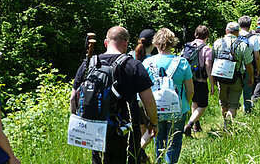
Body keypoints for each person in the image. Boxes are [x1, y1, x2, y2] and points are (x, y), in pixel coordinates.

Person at [71, 26, 158, 164]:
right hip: (125, 129)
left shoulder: (90, 63)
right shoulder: (133, 65)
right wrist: (153, 123)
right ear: (126, 43)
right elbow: (149, 101)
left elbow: (74, 97)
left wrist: (80, 120)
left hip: (96, 126)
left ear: (106, 42)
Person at [143, 28, 193, 164]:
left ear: (156, 43)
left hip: (155, 108)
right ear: (172, 43)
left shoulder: (147, 63)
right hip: (178, 109)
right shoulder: (182, 62)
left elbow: (143, 90)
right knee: (175, 141)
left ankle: (159, 162)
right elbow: (190, 90)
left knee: (159, 139)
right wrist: (185, 105)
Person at [211, 22, 254, 127]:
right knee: (233, 104)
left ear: (226, 31)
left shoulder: (217, 43)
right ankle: (229, 126)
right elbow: (248, 64)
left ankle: (225, 122)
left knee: (224, 103)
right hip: (236, 78)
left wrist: (213, 81)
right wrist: (251, 77)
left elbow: (212, 62)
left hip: (221, 78)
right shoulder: (242, 45)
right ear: (238, 32)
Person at [128, 29, 156, 164]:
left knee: (140, 129)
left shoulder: (129, 55)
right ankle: (136, 152)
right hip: (145, 99)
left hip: (131, 100)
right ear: (154, 43)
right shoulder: (152, 60)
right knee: (152, 130)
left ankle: (140, 156)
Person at [183, 25, 214, 135]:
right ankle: (190, 124)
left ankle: (196, 126)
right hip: (201, 80)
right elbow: (208, 67)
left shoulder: (187, 46)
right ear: (206, 36)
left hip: (188, 80)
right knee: (203, 105)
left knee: (194, 102)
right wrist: (212, 83)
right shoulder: (206, 49)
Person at [238, 16, 260, 113]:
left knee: (235, 88)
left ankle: (234, 107)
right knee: (248, 89)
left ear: (239, 25)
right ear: (250, 25)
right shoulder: (254, 38)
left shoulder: (235, 36)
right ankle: (247, 109)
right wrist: (257, 70)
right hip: (248, 66)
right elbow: (257, 57)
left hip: (236, 67)